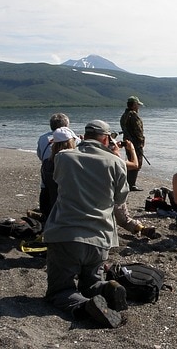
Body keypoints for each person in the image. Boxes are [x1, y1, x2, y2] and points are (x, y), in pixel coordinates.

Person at [43, 120, 129, 328]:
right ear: (107, 139)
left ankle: (84, 306)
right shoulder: (116, 162)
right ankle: (106, 289)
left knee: (60, 291)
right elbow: (120, 198)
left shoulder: (63, 157)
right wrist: (115, 157)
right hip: (100, 238)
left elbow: (56, 179)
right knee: (90, 282)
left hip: (65, 234)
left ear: (84, 135)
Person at [108, 136, 159, 239]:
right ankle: (142, 229)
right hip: (115, 197)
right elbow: (135, 165)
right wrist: (131, 149)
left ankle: (141, 229)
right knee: (124, 220)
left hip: (100, 196)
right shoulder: (115, 160)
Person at [39, 127, 78, 225]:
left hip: (54, 210)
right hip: (74, 212)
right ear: (71, 143)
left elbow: (44, 191)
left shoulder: (47, 164)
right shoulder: (76, 164)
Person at [120, 96, 145, 191]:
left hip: (127, 141)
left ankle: (128, 182)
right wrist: (141, 142)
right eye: (137, 105)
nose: (138, 107)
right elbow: (138, 131)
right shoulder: (134, 115)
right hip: (135, 143)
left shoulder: (124, 115)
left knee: (130, 160)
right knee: (137, 162)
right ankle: (132, 184)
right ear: (134, 105)